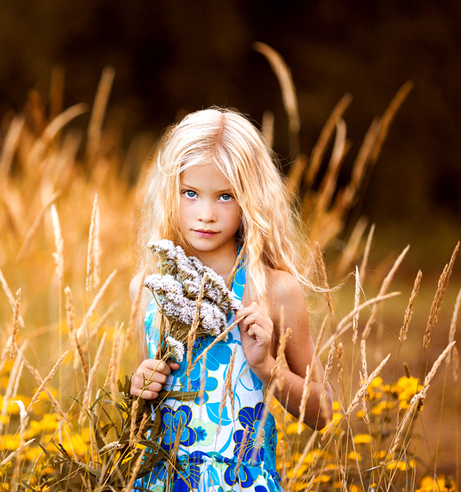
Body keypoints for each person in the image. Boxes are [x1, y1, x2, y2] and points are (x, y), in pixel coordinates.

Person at [128, 107, 332, 492]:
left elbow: (322, 412)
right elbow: (148, 403)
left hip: (242, 481)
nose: (206, 214)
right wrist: (140, 384)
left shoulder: (274, 290)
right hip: (162, 481)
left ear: (250, 200)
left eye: (225, 196)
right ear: (170, 193)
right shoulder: (148, 287)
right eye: (190, 193)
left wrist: (267, 366)